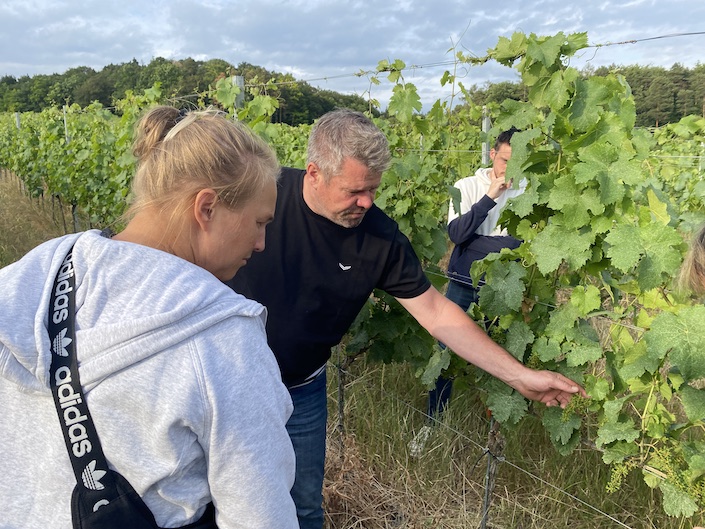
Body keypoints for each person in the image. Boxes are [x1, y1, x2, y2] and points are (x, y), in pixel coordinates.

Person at [228, 108, 586, 529]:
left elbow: (436, 313)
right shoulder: (259, 194)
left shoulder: (379, 238)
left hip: (303, 390)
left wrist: (519, 376)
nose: (366, 202)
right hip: (230, 381)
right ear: (314, 173)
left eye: (374, 190)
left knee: (305, 505)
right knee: (232, 502)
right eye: (354, 191)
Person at [0, 106, 298, 528]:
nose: (263, 242)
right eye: (259, 222)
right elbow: (261, 516)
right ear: (207, 208)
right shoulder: (223, 338)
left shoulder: (30, 278)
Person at [427, 127, 527, 421]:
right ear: (493, 154)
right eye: (506, 160)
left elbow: (522, 244)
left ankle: (492, 428)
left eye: (518, 160)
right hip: (463, 283)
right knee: (446, 354)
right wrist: (488, 199)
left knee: (501, 358)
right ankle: (434, 420)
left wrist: (478, 243)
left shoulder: (527, 193)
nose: (510, 167)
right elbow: (457, 234)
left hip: (503, 288)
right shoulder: (466, 186)